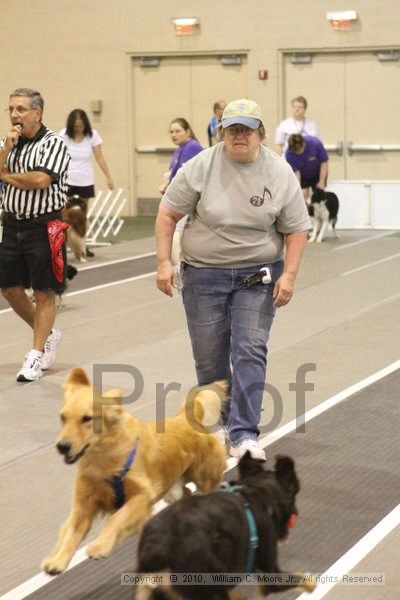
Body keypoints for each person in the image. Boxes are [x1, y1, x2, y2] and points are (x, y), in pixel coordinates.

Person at [155, 98, 310, 461]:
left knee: (249, 348)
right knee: (210, 357)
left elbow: (297, 229)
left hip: (257, 273)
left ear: (260, 133)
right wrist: (164, 262)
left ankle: (244, 433)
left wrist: (289, 274)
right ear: (221, 132)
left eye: (247, 129)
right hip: (203, 273)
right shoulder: (200, 166)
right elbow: (167, 214)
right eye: (232, 129)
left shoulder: (278, 171)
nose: (240, 135)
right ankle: (222, 423)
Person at [0, 88, 70, 382]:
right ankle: (48, 333)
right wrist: (5, 150)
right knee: (9, 287)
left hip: (45, 226)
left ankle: (35, 354)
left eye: (21, 109)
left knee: (44, 292)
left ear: (37, 114)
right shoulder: (9, 144)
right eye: (11, 109)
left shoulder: (54, 144)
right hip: (12, 224)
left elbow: (40, 180)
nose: (15, 115)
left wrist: (4, 176)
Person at [59, 109, 114, 256]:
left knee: (82, 217)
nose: (79, 128)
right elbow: (57, 157)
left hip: (85, 180)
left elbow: (100, 158)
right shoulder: (63, 135)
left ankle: (82, 245)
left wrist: (108, 177)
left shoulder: (92, 135)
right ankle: (61, 245)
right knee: (65, 216)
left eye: (81, 125)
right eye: (76, 126)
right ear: (71, 125)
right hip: (67, 180)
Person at [158, 118, 203, 195]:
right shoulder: (180, 149)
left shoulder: (191, 146)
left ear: (188, 132)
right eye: (171, 132)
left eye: (178, 131)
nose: (174, 135)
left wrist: (167, 187)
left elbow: (182, 175)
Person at [285, 133, 329, 201]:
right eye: (296, 152)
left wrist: (321, 181)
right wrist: (297, 189)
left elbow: (324, 162)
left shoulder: (315, 143)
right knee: (302, 195)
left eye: (300, 150)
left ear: (304, 143)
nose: (298, 153)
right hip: (303, 175)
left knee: (319, 196)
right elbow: (297, 173)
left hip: (317, 172)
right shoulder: (289, 154)